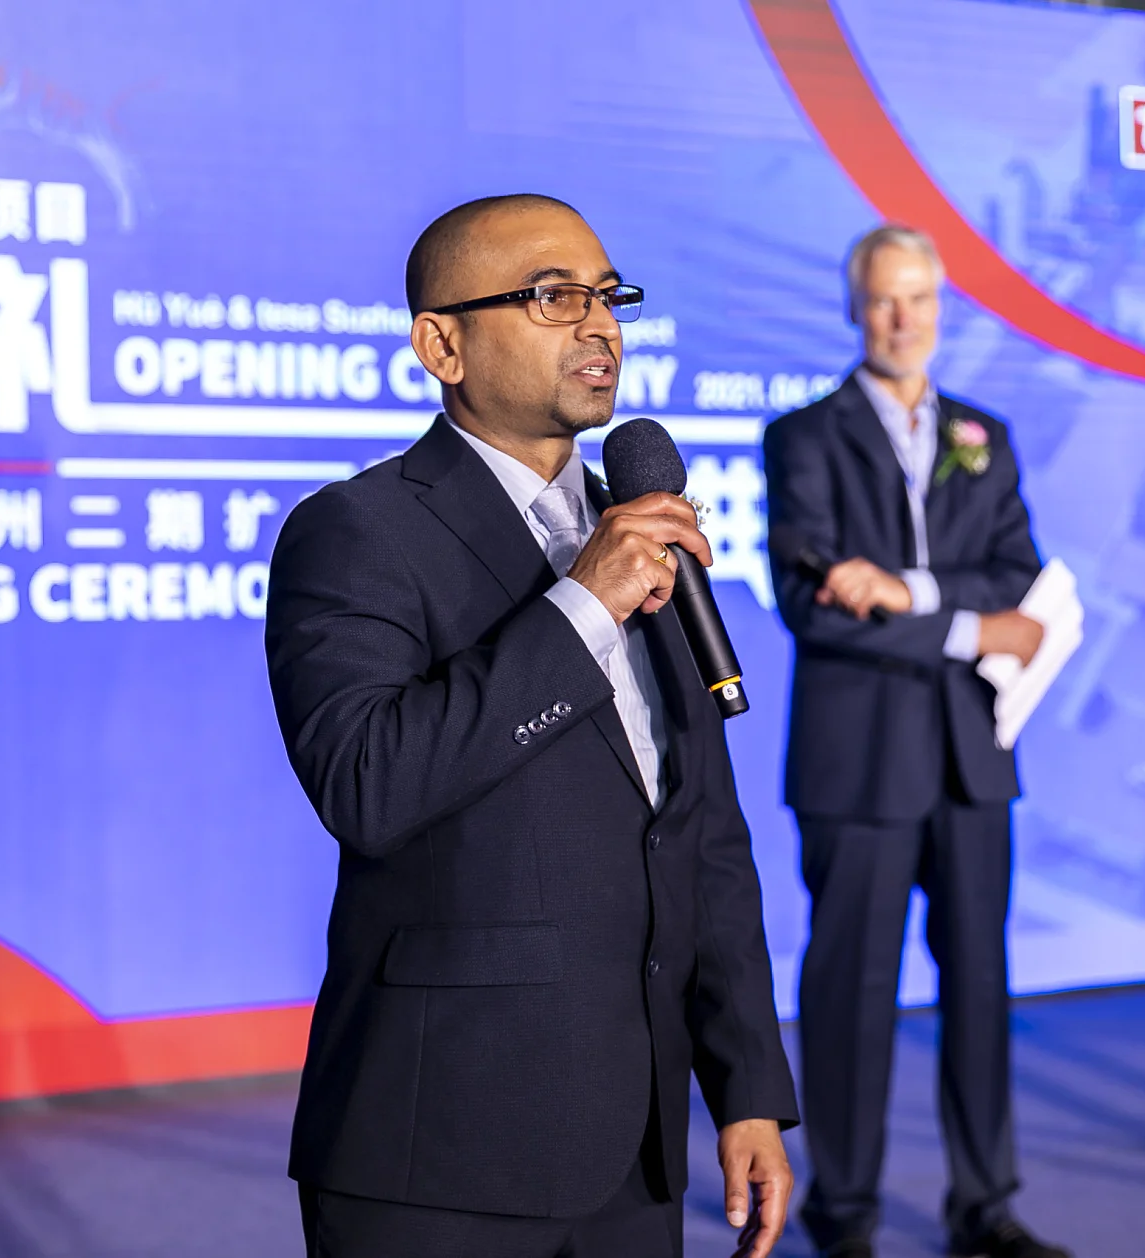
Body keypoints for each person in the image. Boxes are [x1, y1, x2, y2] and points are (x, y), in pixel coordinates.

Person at [265, 193, 799, 1258]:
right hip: (437, 1151)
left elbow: (699, 833)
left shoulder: (640, 530)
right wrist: (581, 606)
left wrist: (745, 1085)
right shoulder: (358, 532)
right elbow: (370, 785)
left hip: (634, 1153)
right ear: (441, 344)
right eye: (554, 296)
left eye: (609, 297)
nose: (599, 325)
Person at [761, 226, 1065, 1258]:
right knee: (850, 994)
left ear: (942, 306)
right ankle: (843, 1211)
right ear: (856, 308)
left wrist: (911, 593)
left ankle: (986, 1204)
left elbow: (1019, 583)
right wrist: (971, 623)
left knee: (981, 984)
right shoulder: (804, 437)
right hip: (856, 762)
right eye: (885, 300)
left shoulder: (988, 432)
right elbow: (817, 608)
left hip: (973, 758)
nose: (904, 318)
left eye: (921, 299)